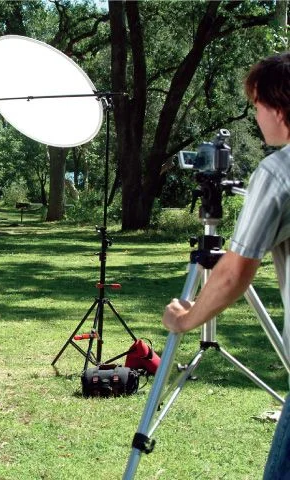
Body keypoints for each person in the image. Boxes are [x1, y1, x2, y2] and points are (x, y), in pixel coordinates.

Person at [162, 52, 290, 479]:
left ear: (278, 105)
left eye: (256, 105)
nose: (255, 117)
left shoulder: (278, 171)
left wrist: (187, 319)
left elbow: (234, 272)